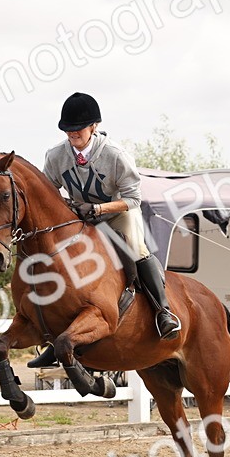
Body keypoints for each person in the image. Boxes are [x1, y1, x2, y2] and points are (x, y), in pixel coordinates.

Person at [41, 92, 182, 342]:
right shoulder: (55, 156)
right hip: (79, 215)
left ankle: (163, 311)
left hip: (118, 212)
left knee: (137, 249)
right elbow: (48, 191)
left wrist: (97, 210)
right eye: (68, 130)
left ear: (94, 127)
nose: (73, 135)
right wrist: (68, 206)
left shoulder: (116, 155)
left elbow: (133, 199)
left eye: (78, 130)